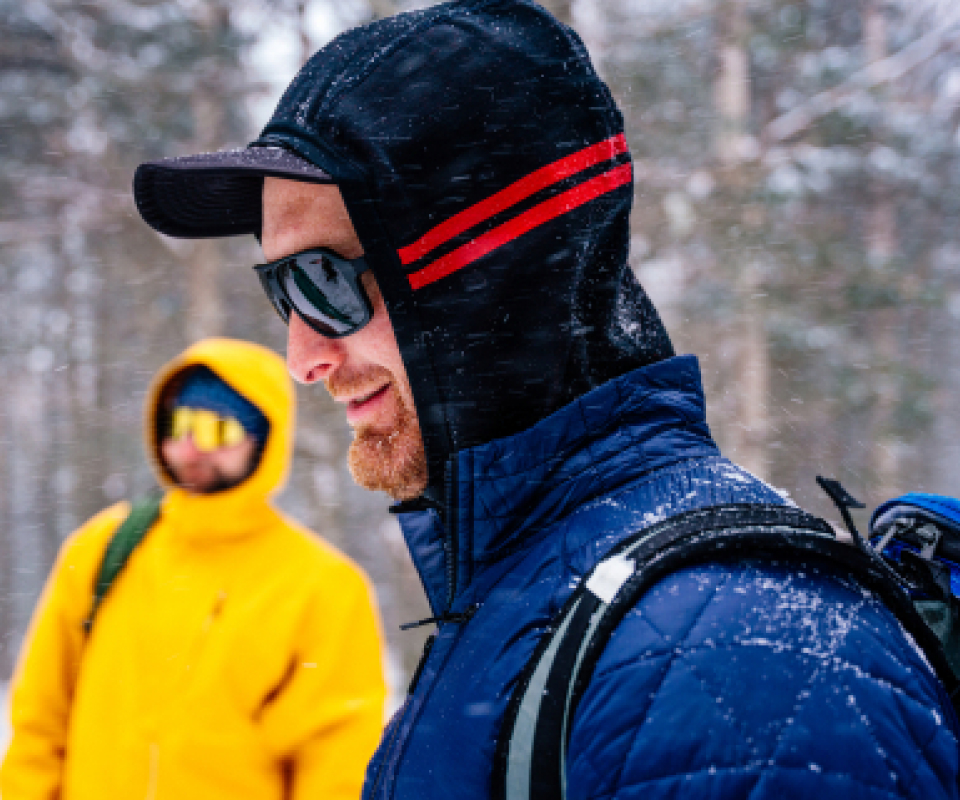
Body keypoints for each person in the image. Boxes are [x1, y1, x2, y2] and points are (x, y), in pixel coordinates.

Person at [132, 1, 960, 797]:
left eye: (321, 282)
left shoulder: (741, 672)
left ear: (480, 282)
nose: (301, 356)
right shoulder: (540, 600)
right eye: (282, 292)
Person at [0, 338, 387, 800]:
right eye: (180, 424)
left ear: (263, 438)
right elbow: (39, 724)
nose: (190, 448)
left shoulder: (324, 587)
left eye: (216, 431)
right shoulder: (103, 547)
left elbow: (335, 767)